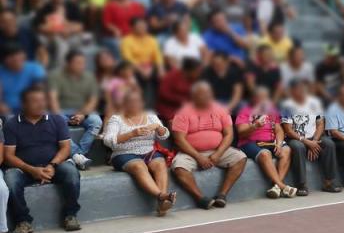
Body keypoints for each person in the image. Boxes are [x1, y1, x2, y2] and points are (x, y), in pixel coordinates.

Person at [3, 85, 81, 233]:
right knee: (11, 180)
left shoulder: (56, 119)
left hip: (54, 165)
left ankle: (70, 215)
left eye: (43, 100)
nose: (41, 104)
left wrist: (52, 165)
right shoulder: (12, 124)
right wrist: (31, 169)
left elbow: (65, 148)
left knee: (71, 172)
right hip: (25, 169)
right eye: (35, 101)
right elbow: (9, 156)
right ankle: (23, 221)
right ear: (24, 104)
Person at [170, 81, 248, 209]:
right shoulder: (183, 112)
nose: (207, 97)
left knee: (240, 158)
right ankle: (200, 198)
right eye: (202, 94)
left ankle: (222, 195)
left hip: (217, 151)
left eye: (209, 94)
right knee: (179, 167)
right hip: (191, 152)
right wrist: (198, 157)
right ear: (193, 96)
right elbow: (179, 140)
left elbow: (229, 134)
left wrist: (218, 154)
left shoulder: (221, 109)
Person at [101, 86, 175, 216]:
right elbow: (107, 140)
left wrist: (159, 128)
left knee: (160, 163)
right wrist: (132, 133)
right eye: (132, 102)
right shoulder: (116, 119)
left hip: (148, 151)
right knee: (139, 166)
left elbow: (164, 135)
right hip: (124, 153)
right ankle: (161, 196)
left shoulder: (150, 115)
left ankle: (162, 202)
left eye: (138, 102)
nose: (136, 105)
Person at [235, 87, 296, 199]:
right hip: (250, 142)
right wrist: (254, 126)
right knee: (265, 154)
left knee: (286, 150)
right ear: (254, 98)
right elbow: (241, 132)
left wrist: (278, 143)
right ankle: (283, 186)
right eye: (260, 98)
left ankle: (276, 187)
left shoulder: (271, 110)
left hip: (270, 141)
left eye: (265, 98)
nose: (263, 101)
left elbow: (279, 130)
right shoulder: (245, 111)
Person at [48, 50, 103, 168]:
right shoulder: (55, 76)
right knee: (57, 121)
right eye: (77, 63)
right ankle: (78, 156)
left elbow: (93, 99)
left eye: (83, 63)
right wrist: (59, 116)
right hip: (61, 109)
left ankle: (77, 155)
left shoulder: (89, 76)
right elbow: (52, 99)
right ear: (68, 63)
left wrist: (83, 114)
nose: (81, 65)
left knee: (96, 121)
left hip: (82, 110)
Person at [281, 79, 337, 194]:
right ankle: (301, 185)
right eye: (298, 89)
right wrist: (307, 142)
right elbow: (288, 130)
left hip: (314, 137)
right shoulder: (287, 105)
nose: (302, 91)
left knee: (329, 144)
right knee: (298, 147)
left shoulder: (315, 102)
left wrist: (315, 141)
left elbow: (320, 123)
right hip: (296, 138)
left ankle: (328, 183)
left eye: (304, 89)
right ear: (292, 91)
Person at [0, 46, 46, 116]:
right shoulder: (1, 71)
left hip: (30, 106)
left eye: (19, 56)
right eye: (12, 57)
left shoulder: (35, 68)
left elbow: (39, 91)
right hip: (7, 109)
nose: (16, 59)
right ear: (4, 60)